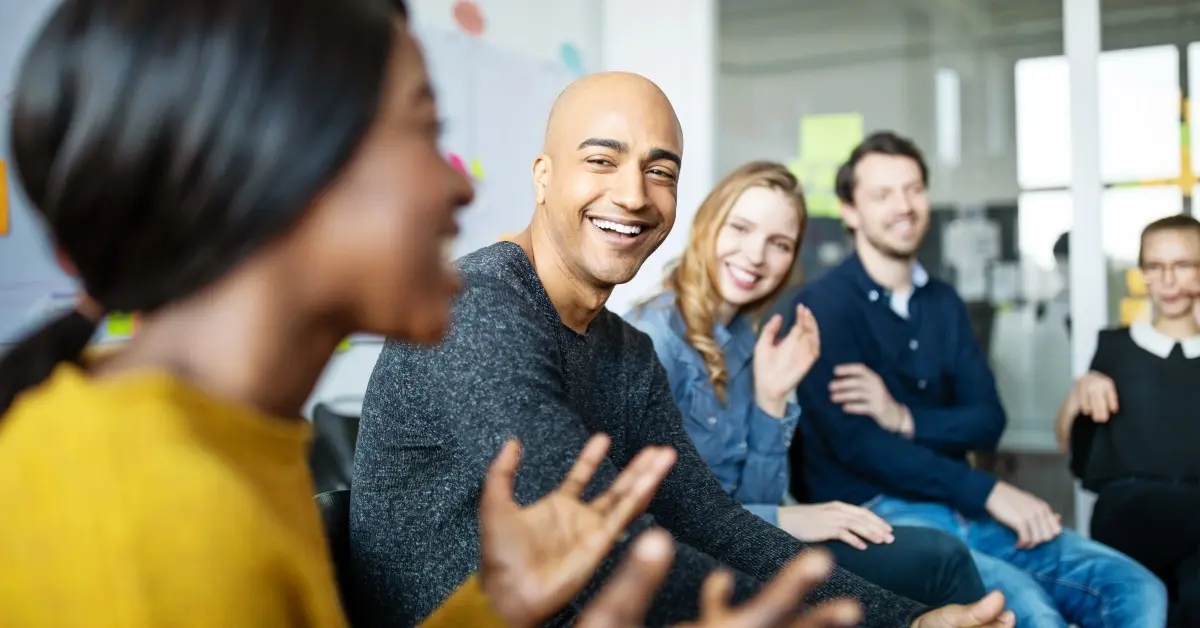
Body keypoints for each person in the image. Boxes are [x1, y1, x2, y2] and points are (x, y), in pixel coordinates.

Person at [0, 0, 696, 625]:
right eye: (424, 131)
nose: (458, 182)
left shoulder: (224, 446)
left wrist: (491, 610)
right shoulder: (155, 523)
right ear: (288, 169)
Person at [352, 72, 1013, 628]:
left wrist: (908, 619)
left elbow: (712, 521)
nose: (634, 194)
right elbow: (604, 545)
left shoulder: (627, 352)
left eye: (659, 171)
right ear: (544, 176)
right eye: (601, 161)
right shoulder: (479, 307)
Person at [773, 129, 1168, 627]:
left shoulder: (943, 302)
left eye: (914, 189)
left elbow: (987, 420)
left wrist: (904, 418)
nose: (904, 205)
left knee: (1135, 589)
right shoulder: (824, 308)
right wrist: (987, 490)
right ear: (850, 211)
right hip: (883, 516)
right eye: (883, 194)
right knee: (1030, 611)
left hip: (964, 505)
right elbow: (862, 448)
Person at [623, 160, 987, 608]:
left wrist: (771, 398)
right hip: (685, 564)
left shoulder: (744, 341)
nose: (756, 255)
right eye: (740, 228)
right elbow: (658, 513)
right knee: (942, 561)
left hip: (742, 547)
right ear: (707, 225)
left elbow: (753, 498)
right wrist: (790, 517)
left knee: (938, 558)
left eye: (779, 244)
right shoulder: (653, 340)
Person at [1058, 214, 1200, 626]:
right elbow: (1069, 444)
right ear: (1143, 275)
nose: (1168, 280)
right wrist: (1079, 393)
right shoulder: (1114, 348)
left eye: (1183, 265)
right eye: (1155, 267)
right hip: (1130, 516)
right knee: (1135, 600)